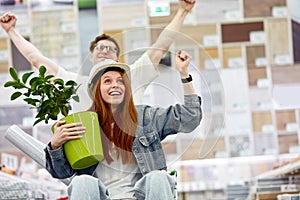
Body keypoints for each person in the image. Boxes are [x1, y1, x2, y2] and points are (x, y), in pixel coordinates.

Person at [44, 49, 202, 200]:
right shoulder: (82, 124)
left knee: (158, 177)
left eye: (121, 81)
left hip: (141, 196)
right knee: (81, 181)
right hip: (102, 196)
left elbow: (190, 118)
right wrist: (55, 145)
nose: (115, 85)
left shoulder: (146, 117)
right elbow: (61, 172)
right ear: (96, 90)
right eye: (107, 81)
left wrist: (184, 75)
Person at [0, 0, 196, 106]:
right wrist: (11, 31)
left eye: (109, 48)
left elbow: (160, 46)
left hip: (134, 158)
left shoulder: (134, 75)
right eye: (98, 49)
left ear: (118, 59)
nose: (103, 51)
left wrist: (182, 12)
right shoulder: (75, 83)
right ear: (91, 57)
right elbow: (37, 60)